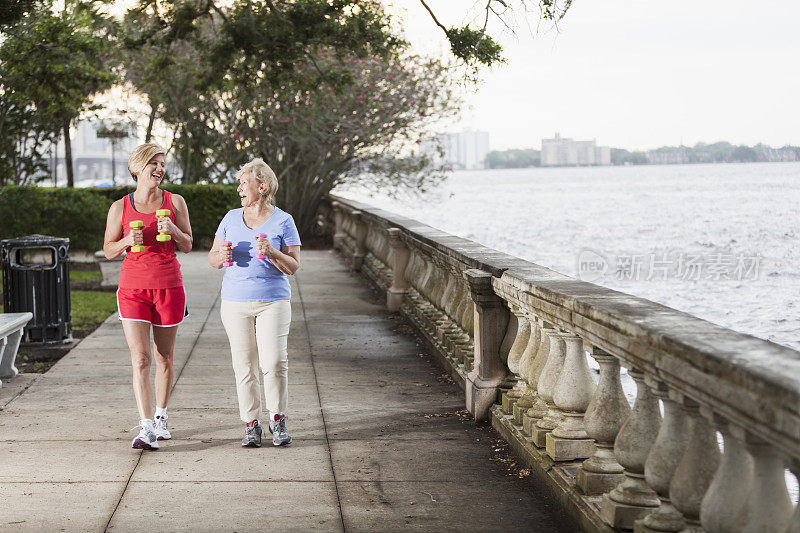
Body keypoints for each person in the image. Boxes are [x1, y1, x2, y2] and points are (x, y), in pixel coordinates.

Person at [103, 143, 193, 450]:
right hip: (133, 288)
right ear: (138, 168)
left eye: (162, 163)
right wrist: (127, 239)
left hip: (169, 285)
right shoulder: (120, 207)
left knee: (162, 357)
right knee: (140, 358)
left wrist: (175, 231)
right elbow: (108, 249)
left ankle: (161, 416)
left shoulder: (175, 201)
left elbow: (188, 245)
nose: (160, 168)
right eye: (154, 163)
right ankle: (145, 428)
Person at [208, 158, 301, 447]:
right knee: (244, 365)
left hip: (273, 301)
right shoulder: (230, 218)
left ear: (262, 186)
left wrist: (272, 251)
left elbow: (293, 266)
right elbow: (212, 258)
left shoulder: (283, 220)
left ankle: (277, 419)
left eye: (244, 183)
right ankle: (251, 424)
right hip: (234, 302)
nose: (239, 189)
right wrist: (220, 258)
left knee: (273, 362)